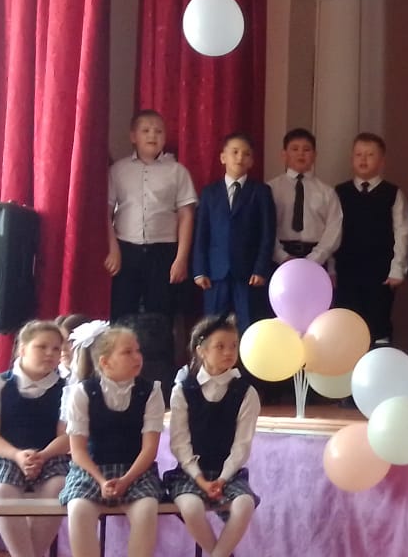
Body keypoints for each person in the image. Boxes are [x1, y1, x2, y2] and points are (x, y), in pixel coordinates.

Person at [59, 322, 166, 557]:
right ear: (105, 362)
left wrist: (126, 480)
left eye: (137, 350)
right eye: (127, 352)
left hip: (136, 472)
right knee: (78, 510)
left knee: (146, 509)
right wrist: (100, 481)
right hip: (90, 472)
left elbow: (149, 449)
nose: (137, 357)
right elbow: (78, 450)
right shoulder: (82, 392)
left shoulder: (150, 391)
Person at [165, 316, 261, 557]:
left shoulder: (246, 393)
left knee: (245, 504)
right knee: (191, 507)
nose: (229, 352)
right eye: (220, 346)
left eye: (233, 346)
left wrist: (222, 478)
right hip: (190, 474)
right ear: (201, 351)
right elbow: (179, 442)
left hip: (228, 473)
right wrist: (199, 478)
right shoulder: (183, 390)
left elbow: (241, 445)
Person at [0, 321, 70, 557]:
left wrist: (43, 455)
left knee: (59, 487)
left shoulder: (66, 388)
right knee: (2, 492)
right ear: (23, 349)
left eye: (56, 349)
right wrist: (17, 455)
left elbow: (67, 437)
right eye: (42, 347)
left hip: (51, 457)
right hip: (4, 457)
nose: (50, 353)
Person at [105, 110, 197, 322]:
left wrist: (181, 258)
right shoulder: (117, 170)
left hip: (163, 251)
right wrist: (113, 248)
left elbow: (186, 216)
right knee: (122, 312)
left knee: (161, 313)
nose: (152, 135)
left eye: (158, 131)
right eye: (145, 130)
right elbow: (106, 213)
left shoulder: (177, 171)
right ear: (133, 136)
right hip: (126, 250)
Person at [193, 133, 277, 336]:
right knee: (213, 325)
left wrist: (260, 268)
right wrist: (200, 270)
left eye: (246, 154)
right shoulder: (210, 193)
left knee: (248, 323)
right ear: (223, 157)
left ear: (252, 161)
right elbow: (201, 234)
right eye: (235, 152)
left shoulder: (261, 191)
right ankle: (213, 357)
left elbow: (267, 234)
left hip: (248, 273)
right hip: (216, 272)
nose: (240, 157)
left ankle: (246, 358)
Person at [333, 133, 408, 346]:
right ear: (352, 158)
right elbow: (332, 233)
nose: (363, 159)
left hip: (381, 273)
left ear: (382, 160)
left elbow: (403, 232)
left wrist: (398, 268)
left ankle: (378, 363)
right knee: (347, 324)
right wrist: (331, 268)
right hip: (346, 271)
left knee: (378, 325)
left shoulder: (392, 193)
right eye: (358, 154)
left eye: (370, 155)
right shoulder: (339, 192)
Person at [267, 128, 343, 267]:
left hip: (317, 257)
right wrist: (281, 256)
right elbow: (265, 227)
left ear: (314, 155)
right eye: (295, 149)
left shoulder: (327, 192)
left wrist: (315, 258)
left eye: (306, 149)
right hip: (280, 257)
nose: (301, 153)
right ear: (284, 155)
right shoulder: (271, 189)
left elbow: (334, 229)